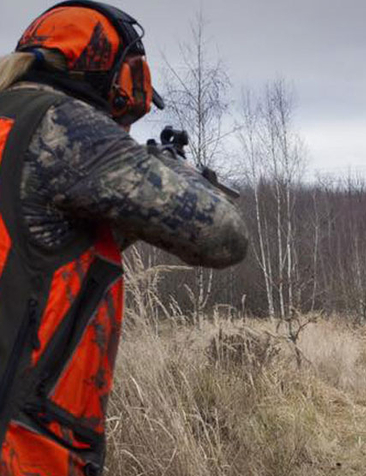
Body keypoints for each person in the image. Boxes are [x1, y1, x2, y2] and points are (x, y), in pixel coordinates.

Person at [0, 2, 248, 475]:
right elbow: (224, 236)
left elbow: (37, 252)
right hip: (25, 449)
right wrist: (173, 174)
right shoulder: (63, 127)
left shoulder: (12, 126)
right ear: (111, 81)